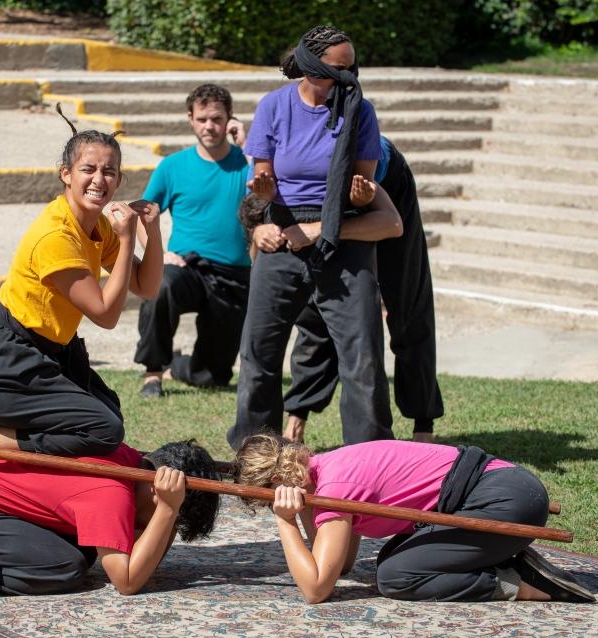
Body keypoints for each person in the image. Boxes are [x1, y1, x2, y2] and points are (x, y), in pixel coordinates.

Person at [0, 115, 163, 471]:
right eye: (89, 169)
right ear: (66, 173)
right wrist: (129, 238)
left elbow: (147, 286)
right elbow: (106, 315)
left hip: (50, 353)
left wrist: (152, 230)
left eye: (110, 171)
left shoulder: (97, 224)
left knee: (108, 410)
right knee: (104, 429)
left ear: (120, 179)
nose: (99, 180)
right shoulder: (55, 237)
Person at [226, 25, 403, 451]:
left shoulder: (361, 111)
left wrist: (358, 195)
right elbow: (261, 181)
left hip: (341, 228)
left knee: (362, 358)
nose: (348, 78)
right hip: (285, 224)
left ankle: (370, 454)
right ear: (311, 65)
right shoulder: (274, 106)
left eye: (351, 69)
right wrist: (263, 207)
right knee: (258, 351)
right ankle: (257, 452)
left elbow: (360, 181)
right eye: (337, 69)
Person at [234, 433, 596, 604]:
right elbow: (340, 564)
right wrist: (305, 510)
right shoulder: (328, 467)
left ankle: (526, 584)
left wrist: (284, 521)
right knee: (392, 560)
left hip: (505, 503)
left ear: (277, 483)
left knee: (395, 576)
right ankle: (503, 557)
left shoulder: (336, 486)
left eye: (265, 500)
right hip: (508, 488)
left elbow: (316, 588)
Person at [0, 440, 220, 595]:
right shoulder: (112, 492)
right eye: (176, 521)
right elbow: (127, 582)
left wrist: (166, 509)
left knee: (87, 550)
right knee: (64, 566)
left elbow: (143, 546)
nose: (163, 526)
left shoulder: (129, 458)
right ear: (159, 489)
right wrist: (169, 509)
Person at [280, 135, 445, 444]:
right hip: (327, 202)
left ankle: (424, 427)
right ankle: (296, 418)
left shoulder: (359, 156)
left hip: (384, 191)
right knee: (318, 309)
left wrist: (321, 230)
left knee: (407, 302)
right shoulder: (289, 147)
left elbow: (390, 223)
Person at [134, 84, 251, 398]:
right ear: (190, 118)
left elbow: (273, 192)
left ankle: (179, 365)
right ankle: (153, 374)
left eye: (216, 119)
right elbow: (143, 214)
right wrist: (157, 255)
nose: (209, 126)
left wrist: (250, 146)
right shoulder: (173, 166)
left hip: (235, 276)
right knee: (161, 286)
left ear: (230, 120)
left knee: (212, 378)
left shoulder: (248, 163)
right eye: (202, 119)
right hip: (186, 267)